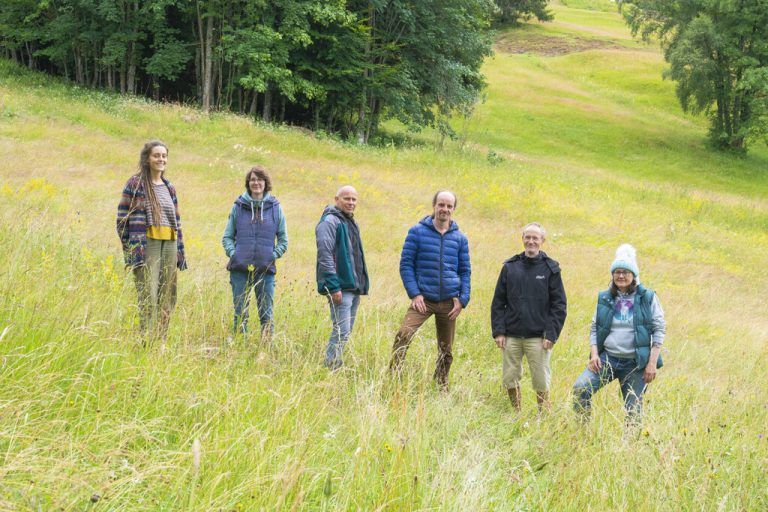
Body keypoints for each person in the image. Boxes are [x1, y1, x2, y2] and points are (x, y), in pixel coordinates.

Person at [573, 244, 666, 425]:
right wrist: (594, 355)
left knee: (633, 411)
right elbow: (595, 327)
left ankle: (629, 448)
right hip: (608, 359)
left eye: (625, 272)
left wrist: (652, 363)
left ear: (634, 276)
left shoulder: (647, 297)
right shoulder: (605, 297)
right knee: (580, 388)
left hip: (635, 363)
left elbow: (659, 330)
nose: (621, 276)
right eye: (617, 272)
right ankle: (582, 430)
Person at [389, 190, 471, 390]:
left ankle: (441, 384)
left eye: (449, 206)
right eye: (441, 205)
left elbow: (465, 271)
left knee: (446, 350)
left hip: (449, 303)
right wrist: (415, 294)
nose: (444, 209)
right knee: (403, 335)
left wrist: (462, 300)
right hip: (423, 300)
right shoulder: (417, 232)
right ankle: (393, 377)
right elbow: (406, 265)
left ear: (453, 210)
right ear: (434, 206)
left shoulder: (460, 239)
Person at [491, 222, 567, 411]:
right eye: (528, 237)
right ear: (523, 239)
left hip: (539, 338)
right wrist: (499, 332)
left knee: (541, 379)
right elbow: (498, 302)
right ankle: (516, 412)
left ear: (542, 241)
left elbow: (559, 305)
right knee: (510, 377)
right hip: (511, 335)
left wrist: (551, 334)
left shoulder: (551, 269)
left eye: (535, 238)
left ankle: (543, 415)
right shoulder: (510, 267)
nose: (531, 241)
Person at [116, 140, 187, 341]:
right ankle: (146, 340)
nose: (161, 159)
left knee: (167, 295)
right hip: (147, 245)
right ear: (147, 159)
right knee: (149, 293)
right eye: (157, 155)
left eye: (164, 156)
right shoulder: (135, 183)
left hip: (170, 245)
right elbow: (122, 218)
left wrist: (180, 250)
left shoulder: (169, 186)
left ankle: (160, 341)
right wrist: (132, 249)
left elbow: (177, 221)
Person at [222, 165, 288, 341]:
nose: (256, 182)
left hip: (265, 271)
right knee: (240, 313)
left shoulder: (276, 208)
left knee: (266, 314)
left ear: (266, 183)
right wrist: (233, 254)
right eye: (252, 179)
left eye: (259, 179)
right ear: (248, 183)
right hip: (239, 270)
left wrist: (272, 256)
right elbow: (227, 237)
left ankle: (266, 350)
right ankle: (238, 347)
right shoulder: (238, 206)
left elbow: (283, 240)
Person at [315, 186, 369, 370]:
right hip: (340, 287)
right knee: (341, 330)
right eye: (347, 199)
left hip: (353, 287)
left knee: (345, 331)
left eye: (354, 199)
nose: (351, 203)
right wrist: (334, 286)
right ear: (336, 199)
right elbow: (325, 255)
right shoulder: (330, 222)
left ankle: (334, 363)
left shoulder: (350, 222)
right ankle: (330, 367)